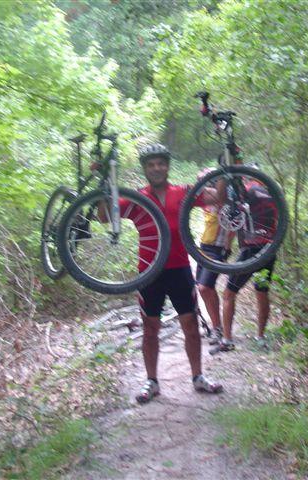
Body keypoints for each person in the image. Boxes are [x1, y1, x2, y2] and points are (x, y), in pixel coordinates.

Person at [123, 143, 223, 403]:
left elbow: (217, 197)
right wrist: (103, 188)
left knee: (190, 324)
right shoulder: (137, 197)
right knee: (150, 327)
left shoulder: (183, 192)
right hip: (149, 272)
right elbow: (103, 215)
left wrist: (227, 170)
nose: (156, 168)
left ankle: (198, 377)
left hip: (179, 268)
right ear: (145, 169)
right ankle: (152, 381)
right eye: (151, 165)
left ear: (168, 166)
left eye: (161, 163)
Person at [209, 168, 278, 354]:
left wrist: (227, 245)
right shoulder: (272, 192)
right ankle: (261, 337)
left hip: (251, 248)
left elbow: (233, 218)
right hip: (270, 249)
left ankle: (227, 339)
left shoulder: (245, 191)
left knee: (229, 293)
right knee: (262, 292)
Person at [194, 168, 234, 346]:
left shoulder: (225, 200)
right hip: (204, 247)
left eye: (207, 181)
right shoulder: (206, 200)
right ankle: (216, 327)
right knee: (204, 289)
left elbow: (233, 226)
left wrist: (227, 247)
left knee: (204, 287)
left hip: (217, 249)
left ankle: (218, 329)